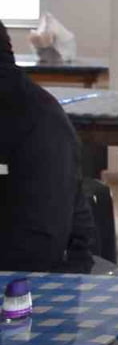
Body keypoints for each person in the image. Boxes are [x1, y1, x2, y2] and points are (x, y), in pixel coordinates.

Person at [0, 21, 96, 273]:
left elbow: (32, 238)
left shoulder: (22, 112)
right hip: (59, 256)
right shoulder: (39, 105)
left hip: (30, 275)